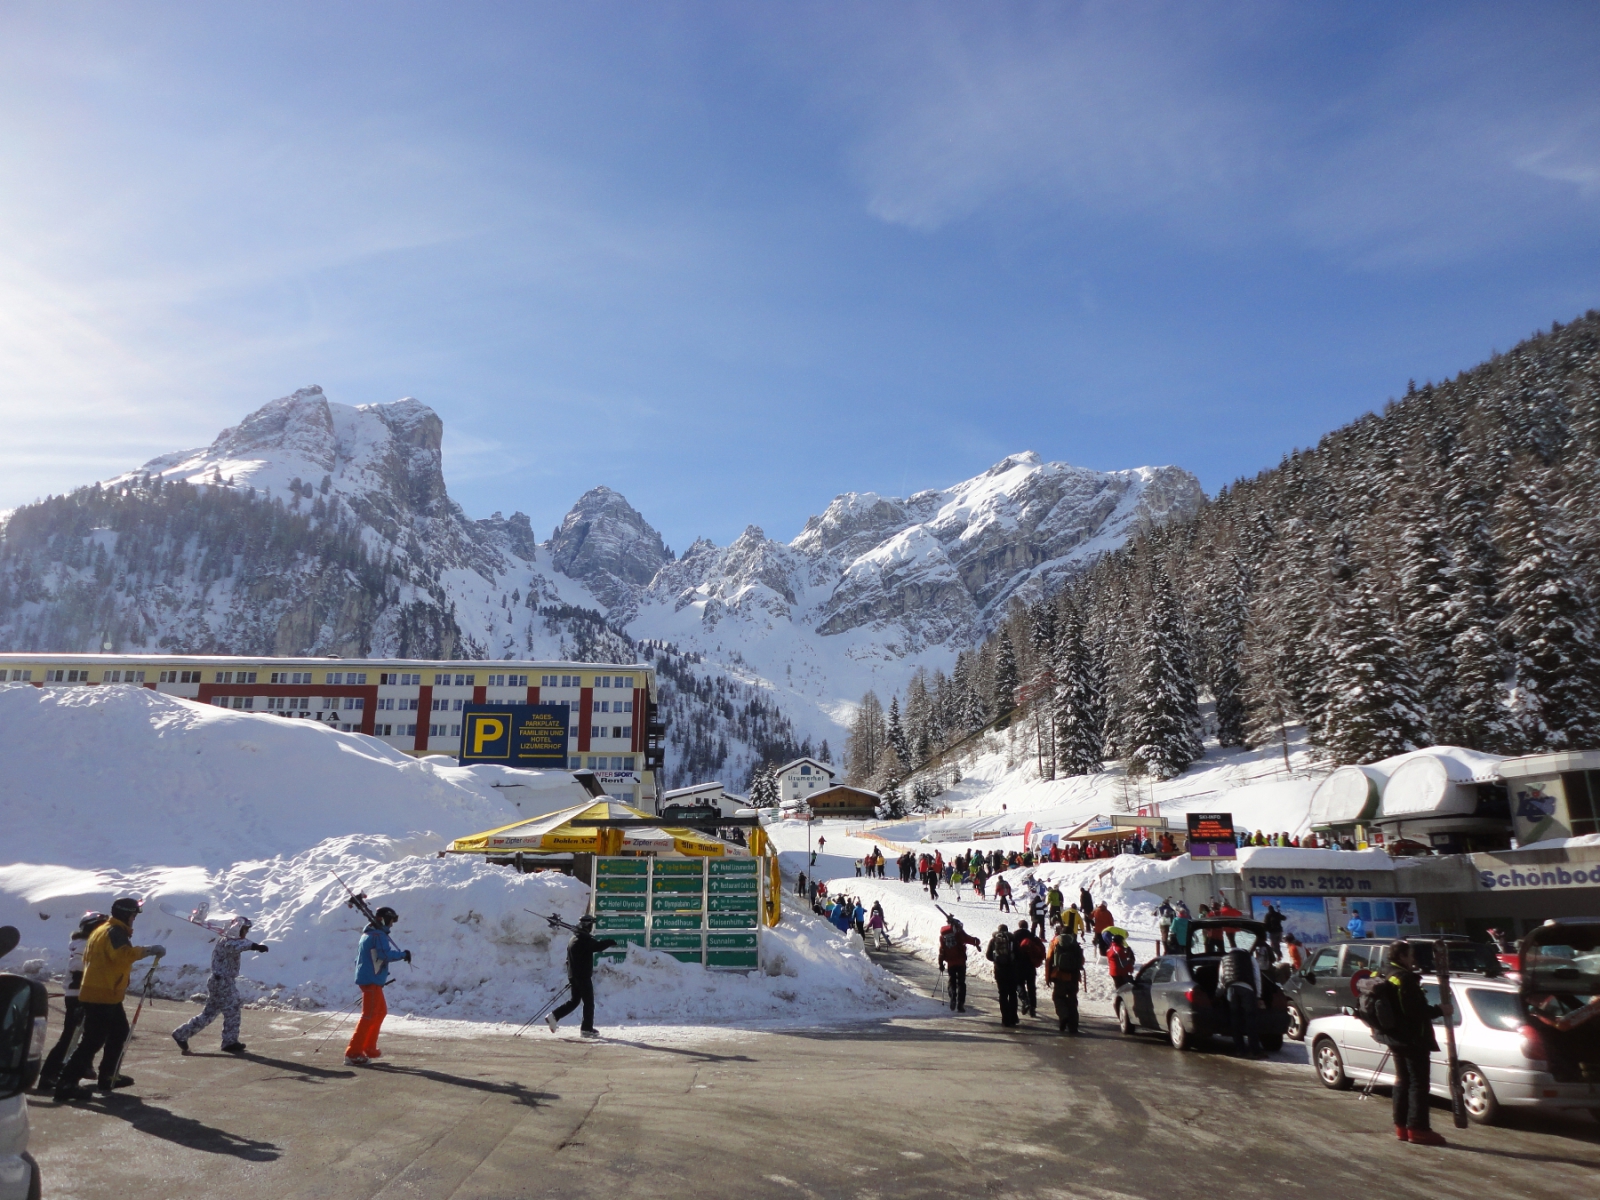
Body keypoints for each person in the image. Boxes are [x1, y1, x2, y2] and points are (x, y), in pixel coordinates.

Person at [53, 897, 165, 1101]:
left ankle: (108, 1076)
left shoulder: (104, 929)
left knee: (119, 1031)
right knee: (93, 1040)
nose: (134, 919)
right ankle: (66, 1083)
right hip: (101, 993)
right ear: (125, 914)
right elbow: (122, 955)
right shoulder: (114, 931)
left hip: (105, 992)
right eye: (132, 915)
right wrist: (147, 951)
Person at [1375, 941, 1451, 1145]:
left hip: (1395, 1037)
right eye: (1410, 955)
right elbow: (1415, 1011)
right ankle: (1418, 1129)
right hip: (1413, 1038)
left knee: (1402, 1080)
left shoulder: (1385, 975)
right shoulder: (1405, 979)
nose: (1414, 959)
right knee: (1418, 1083)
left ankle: (1401, 1126)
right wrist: (1440, 1010)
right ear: (1401, 957)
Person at [172, 917, 269, 1055]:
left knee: (209, 1013)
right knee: (233, 1010)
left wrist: (254, 945)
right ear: (237, 929)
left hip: (219, 981)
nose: (246, 933)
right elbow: (239, 946)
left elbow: (242, 943)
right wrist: (255, 947)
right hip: (223, 982)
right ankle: (229, 1042)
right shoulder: (228, 943)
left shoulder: (229, 940)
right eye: (245, 929)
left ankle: (181, 1034)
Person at [39, 911, 108, 1091]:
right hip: (79, 995)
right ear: (92, 927)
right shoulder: (84, 944)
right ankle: (49, 1074)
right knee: (70, 1036)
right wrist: (84, 979)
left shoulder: (89, 943)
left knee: (91, 1034)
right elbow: (77, 966)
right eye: (101, 925)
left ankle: (82, 1065)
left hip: (84, 993)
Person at [346, 905, 410, 1064]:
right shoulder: (378, 935)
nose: (391, 925)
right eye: (390, 921)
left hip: (370, 978)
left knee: (380, 1012)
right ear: (383, 919)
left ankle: (369, 1047)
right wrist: (403, 955)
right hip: (371, 980)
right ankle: (353, 1053)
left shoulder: (368, 934)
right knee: (369, 1015)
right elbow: (384, 954)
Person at [547, 914, 618, 1038]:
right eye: (591, 924)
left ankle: (554, 1016)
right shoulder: (583, 939)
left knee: (574, 1001)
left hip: (574, 975)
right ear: (587, 925)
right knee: (589, 1002)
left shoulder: (574, 938)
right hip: (582, 976)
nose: (592, 927)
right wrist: (610, 942)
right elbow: (596, 946)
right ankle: (586, 1029)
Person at [1217, 943, 1261, 1056]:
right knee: (1251, 1019)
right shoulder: (1250, 958)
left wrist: (1217, 995)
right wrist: (1258, 995)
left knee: (1235, 1019)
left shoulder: (1224, 959)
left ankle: (1240, 1049)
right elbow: (1257, 976)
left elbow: (1221, 980)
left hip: (1231, 989)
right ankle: (1254, 1050)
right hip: (1247, 988)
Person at [1045, 921, 1085, 1034]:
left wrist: (1048, 978)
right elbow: (1081, 960)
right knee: (1072, 999)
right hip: (1073, 976)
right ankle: (1074, 1026)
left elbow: (1048, 961)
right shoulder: (1075, 943)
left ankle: (1063, 1016)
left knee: (1058, 997)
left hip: (1059, 975)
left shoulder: (1055, 942)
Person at [937, 917, 980, 1013]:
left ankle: (952, 996)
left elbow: (942, 950)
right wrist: (977, 941)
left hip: (950, 963)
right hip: (961, 963)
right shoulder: (960, 934)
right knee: (961, 983)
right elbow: (972, 940)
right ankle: (960, 1004)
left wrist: (941, 963)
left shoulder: (943, 936)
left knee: (952, 981)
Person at [986, 924, 1019, 1027]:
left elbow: (988, 955)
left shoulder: (994, 940)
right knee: (1013, 994)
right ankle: (1013, 1017)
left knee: (1003, 994)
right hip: (1012, 970)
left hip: (1000, 971)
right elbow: (1019, 954)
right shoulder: (1013, 939)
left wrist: (997, 961)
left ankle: (1005, 1018)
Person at [1012, 922, 1044, 1017]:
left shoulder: (1014, 936)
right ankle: (1033, 1009)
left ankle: (1025, 1000)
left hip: (1018, 965)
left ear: (1019, 926)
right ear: (1027, 927)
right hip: (1030, 965)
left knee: (1019, 984)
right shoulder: (1032, 936)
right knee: (1031, 987)